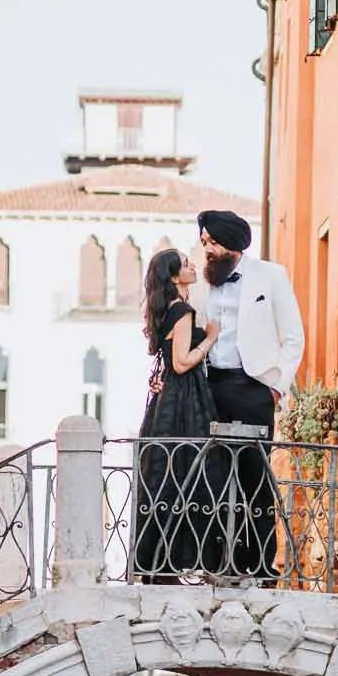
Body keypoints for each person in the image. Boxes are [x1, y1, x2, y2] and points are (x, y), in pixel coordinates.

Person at [195, 209, 305, 582]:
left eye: (213, 241)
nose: (207, 248)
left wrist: (275, 387)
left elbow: (293, 338)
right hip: (209, 388)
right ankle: (215, 561)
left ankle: (258, 564)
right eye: (204, 241)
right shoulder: (201, 282)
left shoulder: (270, 276)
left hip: (253, 388)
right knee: (211, 477)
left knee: (254, 479)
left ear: (233, 243)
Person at [132, 249, 220, 582]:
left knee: (169, 475)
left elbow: (168, 362)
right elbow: (182, 362)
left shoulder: (170, 308)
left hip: (169, 395)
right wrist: (210, 338)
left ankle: (161, 562)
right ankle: (180, 561)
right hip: (184, 397)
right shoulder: (181, 310)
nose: (192, 265)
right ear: (173, 277)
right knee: (190, 472)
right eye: (185, 264)